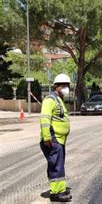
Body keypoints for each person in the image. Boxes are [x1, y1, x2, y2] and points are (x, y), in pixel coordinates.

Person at [39, 73, 72, 202]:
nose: (66, 88)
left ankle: (60, 188)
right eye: (63, 85)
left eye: (67, 85)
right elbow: (44, 119)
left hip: (59, 140)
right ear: (56, 86)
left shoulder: (59, 100)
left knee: (59, 165)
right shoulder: (50, 100)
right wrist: (47, 138)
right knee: (55, 166)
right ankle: (56, 193)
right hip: (52, 140)